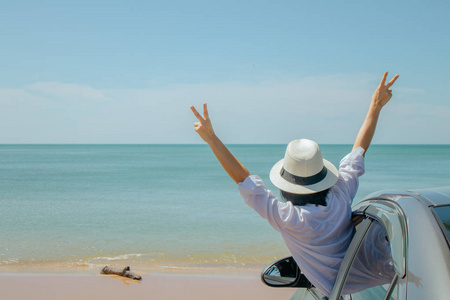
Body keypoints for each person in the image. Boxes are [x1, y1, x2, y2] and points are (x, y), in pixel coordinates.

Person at [190, 71, 399, 297]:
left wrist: (211, 138)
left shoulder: (290, 219)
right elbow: (359, 151)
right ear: (322, 175)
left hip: (345, 290)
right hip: (387, 274)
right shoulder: (341, 193)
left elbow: (243, 178)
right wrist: (375, 106)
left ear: (285, 185)